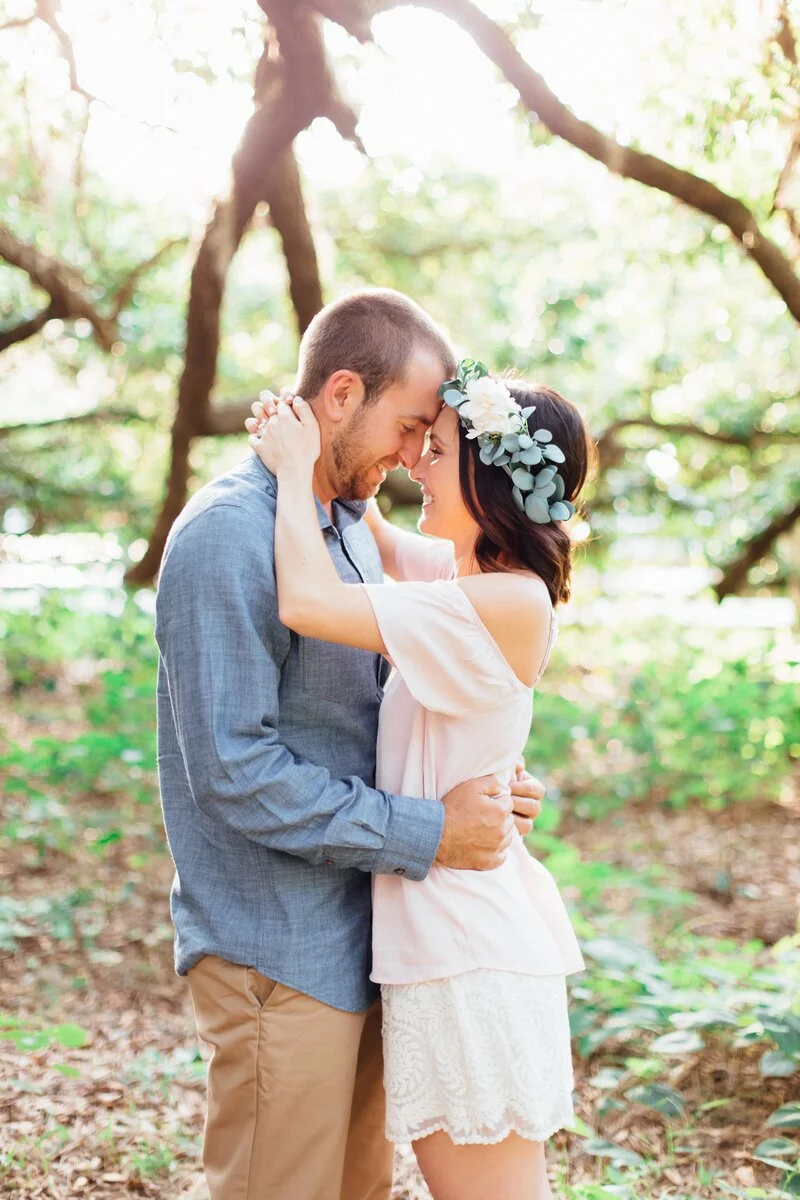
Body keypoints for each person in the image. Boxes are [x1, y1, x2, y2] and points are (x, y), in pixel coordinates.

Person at [154, 289, 546, 1200]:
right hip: (278, 950)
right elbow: (235, 774)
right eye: (411, 427)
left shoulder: (345, 527)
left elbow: (412, 697)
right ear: (339, 395)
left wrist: (488, 783)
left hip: (371, 937)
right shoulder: (229, 537)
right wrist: (430, 831)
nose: (416, 457)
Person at [247, 357, 590, 1200]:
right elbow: (374, 535)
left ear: (489, 475)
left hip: (467, 947)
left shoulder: (507, 600)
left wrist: (294, 471)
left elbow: (310, 602)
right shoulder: (464, 578)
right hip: (441, 938)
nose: (413, 464)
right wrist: (328, 445)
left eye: (433, 449)